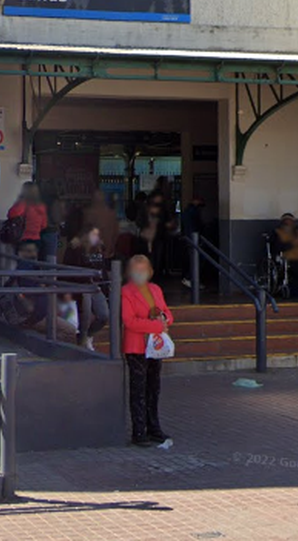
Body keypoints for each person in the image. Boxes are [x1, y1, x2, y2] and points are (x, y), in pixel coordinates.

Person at [121, 255, 173, 447]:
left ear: (150, 272)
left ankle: (154, 427)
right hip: (136, 346)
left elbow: (168, 313)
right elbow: (129, 321)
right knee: (138, 389)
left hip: (154, 346)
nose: (139, 274)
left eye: (143, 270)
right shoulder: (125, 292)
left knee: (153, 388)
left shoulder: (155, 289)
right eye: (136, 270)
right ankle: (139, 430)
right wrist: (157, 326)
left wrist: (164, 319)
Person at [63, 225, 111, 347]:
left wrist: (106, 288)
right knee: (85, 316)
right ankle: (82, 340)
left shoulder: (99, 249)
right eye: (93, 234)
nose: (96, 237)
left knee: (104, 315)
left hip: (96, 286)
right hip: (82, 286)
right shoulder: (75, 249)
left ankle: (88, 335)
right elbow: (69, 270)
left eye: (97, 234)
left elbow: (103, 269)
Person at [8, 182, 48, 253]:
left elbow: (11, 214)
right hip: (36, 239)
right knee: (32, 261)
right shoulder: (41, 206)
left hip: (24, 238)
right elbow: (43, 225)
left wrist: (19, 201)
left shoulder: (23, 204)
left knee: (23, 262)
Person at [80, 189, 120, 259]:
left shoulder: (89, 214)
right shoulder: (112, 214)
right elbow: (116, 235)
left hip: (95, 256)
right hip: (106, 255)